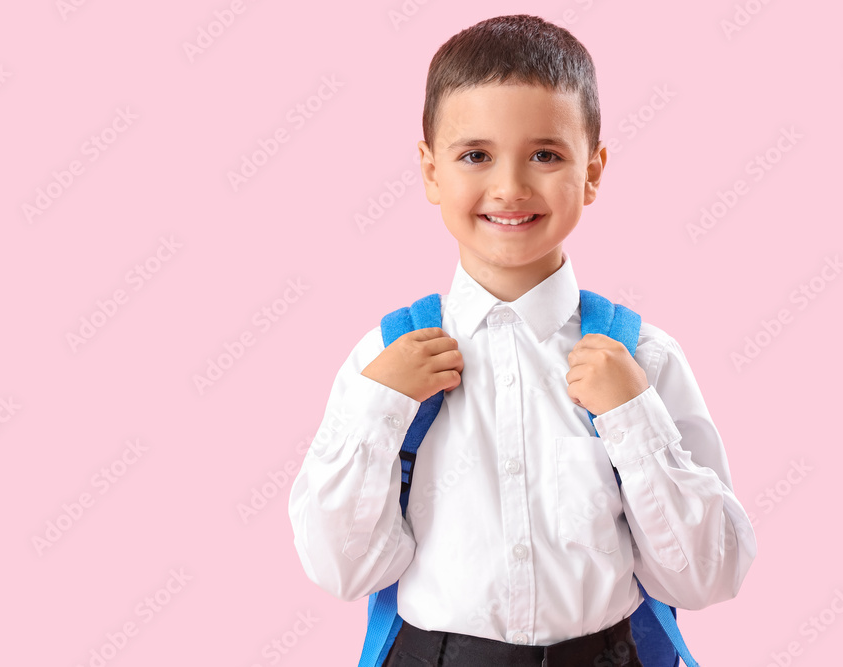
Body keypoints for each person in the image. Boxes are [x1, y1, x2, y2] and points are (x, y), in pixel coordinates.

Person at [287, 14, 756, 667]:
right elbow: (343, 570)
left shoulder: (643, 360)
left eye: (546, 154)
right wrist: (378, 410)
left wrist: (633, 419)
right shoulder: (382, 363)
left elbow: (709, 577)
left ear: (592, 171)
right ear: (430, 171)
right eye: (475, 154)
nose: (509, 186)